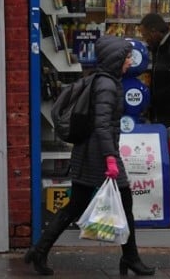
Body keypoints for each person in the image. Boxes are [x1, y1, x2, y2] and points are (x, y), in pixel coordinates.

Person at [24, 35, 155, 276]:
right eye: (126, 57)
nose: (129, 61)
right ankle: (131, 258)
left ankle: (39, 250)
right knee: (124, 204)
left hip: (89, 153)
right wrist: (111, 158)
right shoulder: (107, 85)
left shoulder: (100, 80)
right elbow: (103, 125)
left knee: (74, 207)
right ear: (116, 59)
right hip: (100, 155)